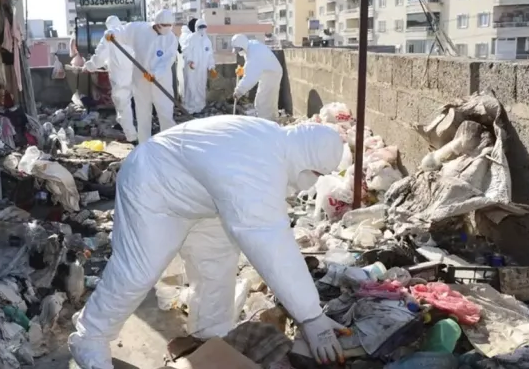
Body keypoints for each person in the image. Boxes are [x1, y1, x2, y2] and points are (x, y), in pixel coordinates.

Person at [69, 116, 348, 369]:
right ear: (307, 160)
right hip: (153, 184)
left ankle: (210, 335)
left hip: (201, 195)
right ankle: (90, 336)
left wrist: (310, 315)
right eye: (317, 175)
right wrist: (311, 317)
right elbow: (270, 242)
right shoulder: (259, 161)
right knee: (138, 271)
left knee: (217, 267)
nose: (313, 184)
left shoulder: (274, 144)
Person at [103, 9, 178, 143]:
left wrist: (156, 73)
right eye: (165, 25)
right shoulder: (139, 29)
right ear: (157, 24)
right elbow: (122, 31)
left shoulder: (171, 38)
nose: (168, 28)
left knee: (165, 112)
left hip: (161, 81)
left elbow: (168, 60)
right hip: (141, 79)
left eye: (170, 25)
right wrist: (111, 33)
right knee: (143, 114)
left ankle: (169, 144)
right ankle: (145, 144)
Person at [82, 16, 137, 143]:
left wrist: (89, 66)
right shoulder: (128, 33)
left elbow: (100, 56)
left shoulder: (109, 35)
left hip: (120, 76)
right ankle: (129, 128)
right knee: (134, 104)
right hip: (135, 73)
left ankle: (132, 137)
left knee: (123, 105)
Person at [231, 34, 284, 121]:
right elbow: (251, 65)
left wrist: (239, 91)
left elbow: (250, 78)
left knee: (262, 103)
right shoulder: (251, 46)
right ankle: (274, 121)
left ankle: (266, 125)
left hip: (271, 74)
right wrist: (243, 70)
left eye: (239, 49)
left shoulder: (253, 53)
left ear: (242, 46)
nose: (238, 52)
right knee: (269, 101)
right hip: (270, 72)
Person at [181, 19, 217, 113]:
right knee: (191, 87)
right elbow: (186, 50)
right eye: (200, 27)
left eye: (204, 27)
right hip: (192, 68)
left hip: (202, 69)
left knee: (201, 87)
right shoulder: (191, 38)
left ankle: (200, 107)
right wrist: (189, 61)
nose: (202, 29)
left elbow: (210, 55)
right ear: (196, 27)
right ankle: (190, 108)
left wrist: (211, 66)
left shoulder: (207, 41)